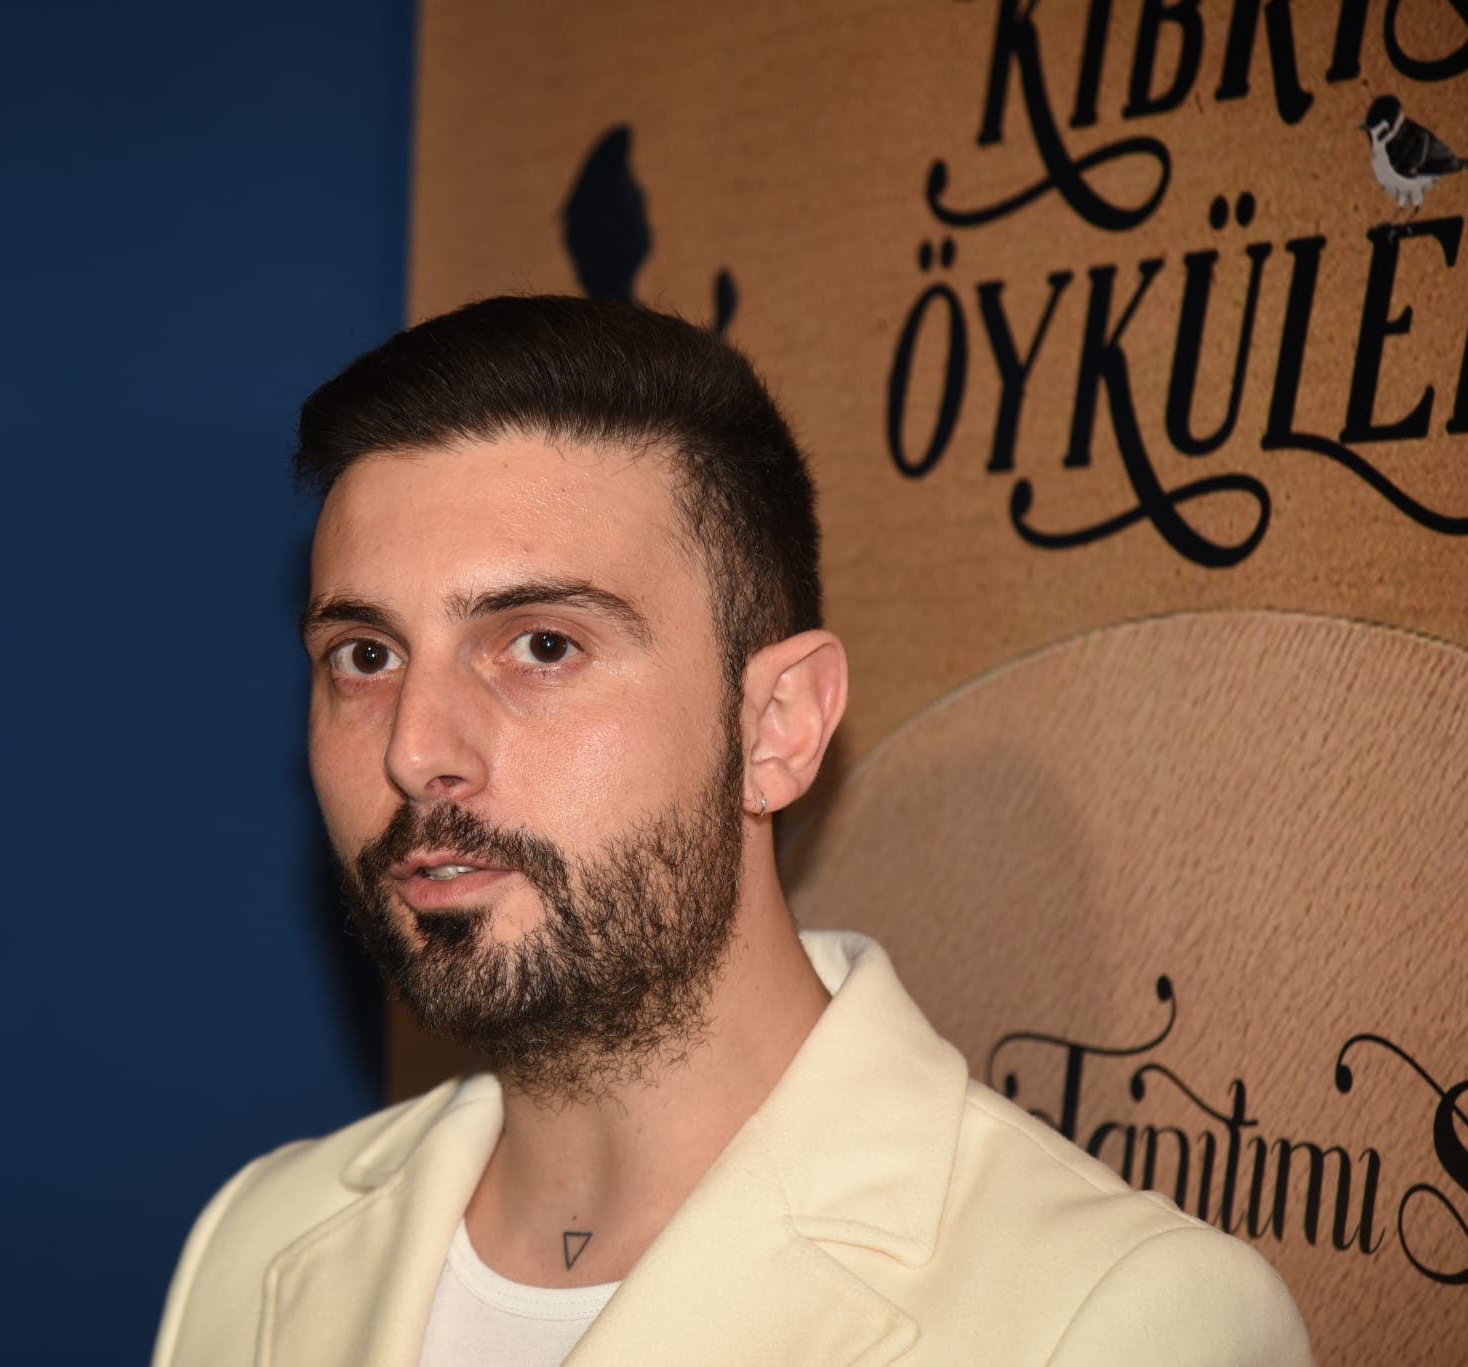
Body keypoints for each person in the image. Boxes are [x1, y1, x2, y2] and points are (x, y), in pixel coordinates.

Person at [150, 296, 1312, 1366]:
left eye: (541, 645)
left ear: (776, 725)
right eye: (364, 655)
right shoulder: (256, 1240)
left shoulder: (1117, 1318)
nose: (413, 748)